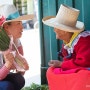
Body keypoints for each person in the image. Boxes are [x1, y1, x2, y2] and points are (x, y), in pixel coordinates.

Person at [42, 4, 90, 90]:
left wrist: (61, 64)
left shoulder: (84, 40)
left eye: (55, 27)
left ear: (64, 31)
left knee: (84, 75)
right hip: (78, 69)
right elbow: (68, 60)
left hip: (86, 69)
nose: (54, 30)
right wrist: (60, 64)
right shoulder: (67, 41)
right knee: (51, 71)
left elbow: (84, 63)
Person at [0, 4, 34, 90]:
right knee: (7, 86)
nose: (22, 27)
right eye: (18, 23)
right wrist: (8, 65)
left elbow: (20, 68)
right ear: (7, 27)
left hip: (3, 74)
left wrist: (22, 67)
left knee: (19, 80)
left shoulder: (15, 40)